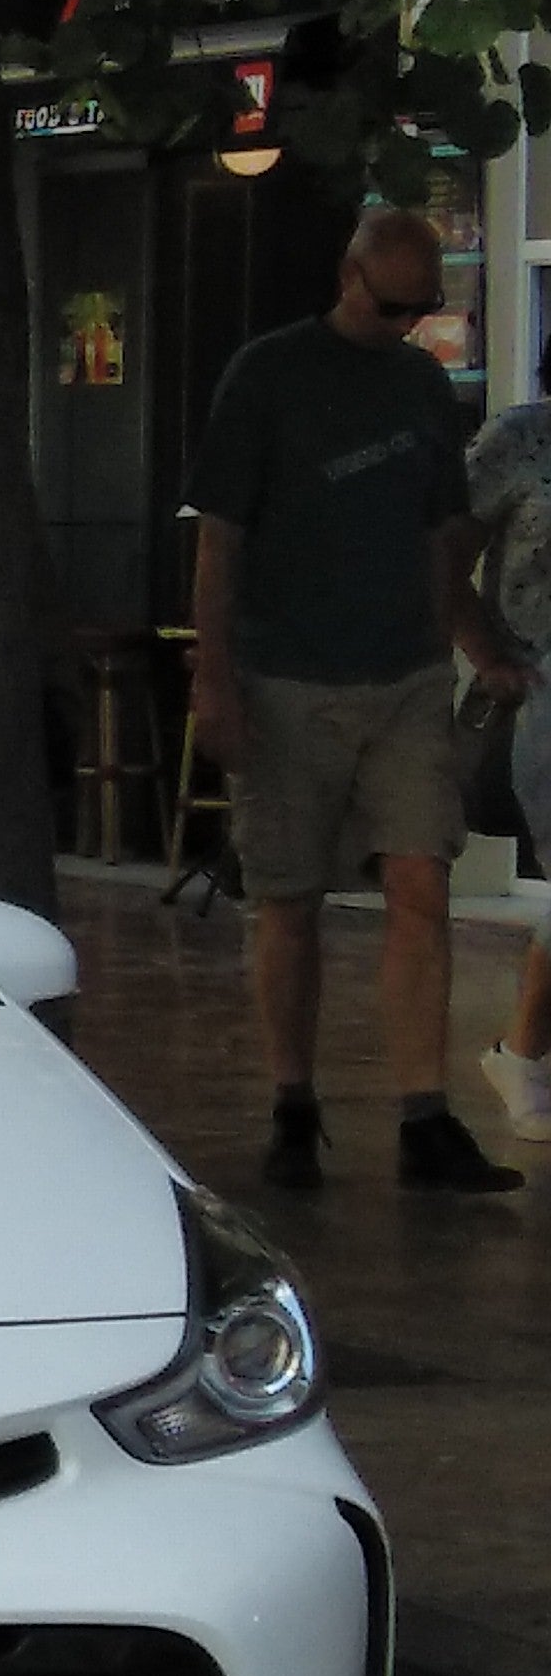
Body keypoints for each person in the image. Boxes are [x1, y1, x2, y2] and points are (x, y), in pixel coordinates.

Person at [187, 205, 526, 1191]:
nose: (406, 325)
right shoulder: (265, 376)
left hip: (404, 676)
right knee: (286, 898)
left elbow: (439, 543)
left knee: (419, 881)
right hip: (286, 672)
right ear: (347, 279)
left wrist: (474, 650)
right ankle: (292, 1105)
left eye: (421, 309)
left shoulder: (422, 386)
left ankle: (424, 1115)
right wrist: (215, 676)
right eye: (390, 307)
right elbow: (218, 538)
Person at [465, 360, 551, 1136]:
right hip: (544, 688)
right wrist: (488, 656)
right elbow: (440, 554)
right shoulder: (520, 439)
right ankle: (521, 1053)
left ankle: (524, 1053)